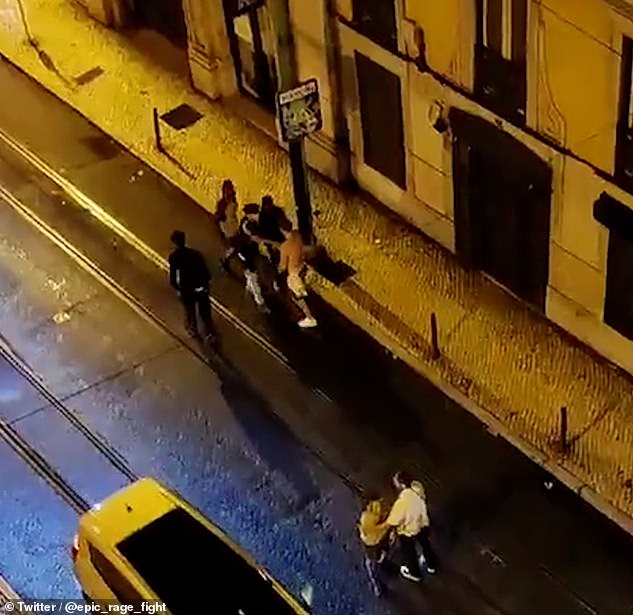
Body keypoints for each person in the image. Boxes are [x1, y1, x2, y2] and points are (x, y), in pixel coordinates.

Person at [378, 470, 438, 582]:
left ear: (402, 484)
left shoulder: (402, 503)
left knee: (409, 552)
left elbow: (393, 521)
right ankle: (432, 565)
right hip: (422, 522)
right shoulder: (418, 487)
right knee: (425, 544)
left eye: (396, 482)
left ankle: (415, 574)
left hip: (408, 530)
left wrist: (379, 528)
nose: (395, 484)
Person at [168, 230, 215, 340]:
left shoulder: (174, 257)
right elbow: (205, 271)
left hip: (187, 288)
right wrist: (206, 284)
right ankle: (210, 331)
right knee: (205, 311)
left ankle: (193, 329)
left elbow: (173, 276)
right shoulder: (196, 254)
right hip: (200, 286)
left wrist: (177, 288)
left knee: (190, 311)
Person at [278, 219, 317, 328]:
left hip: (294, 274)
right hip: (303, 268)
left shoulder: (285, 246)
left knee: (297, 297)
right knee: (302, 292)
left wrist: (279, 269)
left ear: (282, 230)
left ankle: (310, 318)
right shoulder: (297, 235)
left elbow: (283, 266)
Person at [235, 203, 267, 310]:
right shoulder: (248, 225)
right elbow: (256, 238)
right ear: (249, 215)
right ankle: (259, 301)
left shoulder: (250, 222)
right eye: (255, 213)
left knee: (252, 272)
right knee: (252, 274)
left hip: (249, 251)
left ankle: (249, 286)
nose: (258, 216)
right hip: (244, 252)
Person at [358, 495, 391, 597]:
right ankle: (378, 587)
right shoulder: (368, 519)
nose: (378, 507)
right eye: (375, 505)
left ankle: (384, 565)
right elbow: (381, 528)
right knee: (373, 567)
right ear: (369, 506)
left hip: (378, 544)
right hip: (373, 547)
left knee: (379, 559)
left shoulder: (373, 516)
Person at [258, 195, 288, 268]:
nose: (268, 207)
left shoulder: (277, 212)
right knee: (276, 260)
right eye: (266, 205)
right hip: (271, 240)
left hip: (279, 238)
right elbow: (262, 232)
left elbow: (284, 224)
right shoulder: (263, 216)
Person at [216, 179, 239, 272]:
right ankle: (226, 260)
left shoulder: (232, 200)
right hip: (228, 228)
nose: (231, 190)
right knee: (234, 246)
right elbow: (218, 217)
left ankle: (226, 260)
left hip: (233, 226)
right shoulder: (222, 204)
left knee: (235, 246)